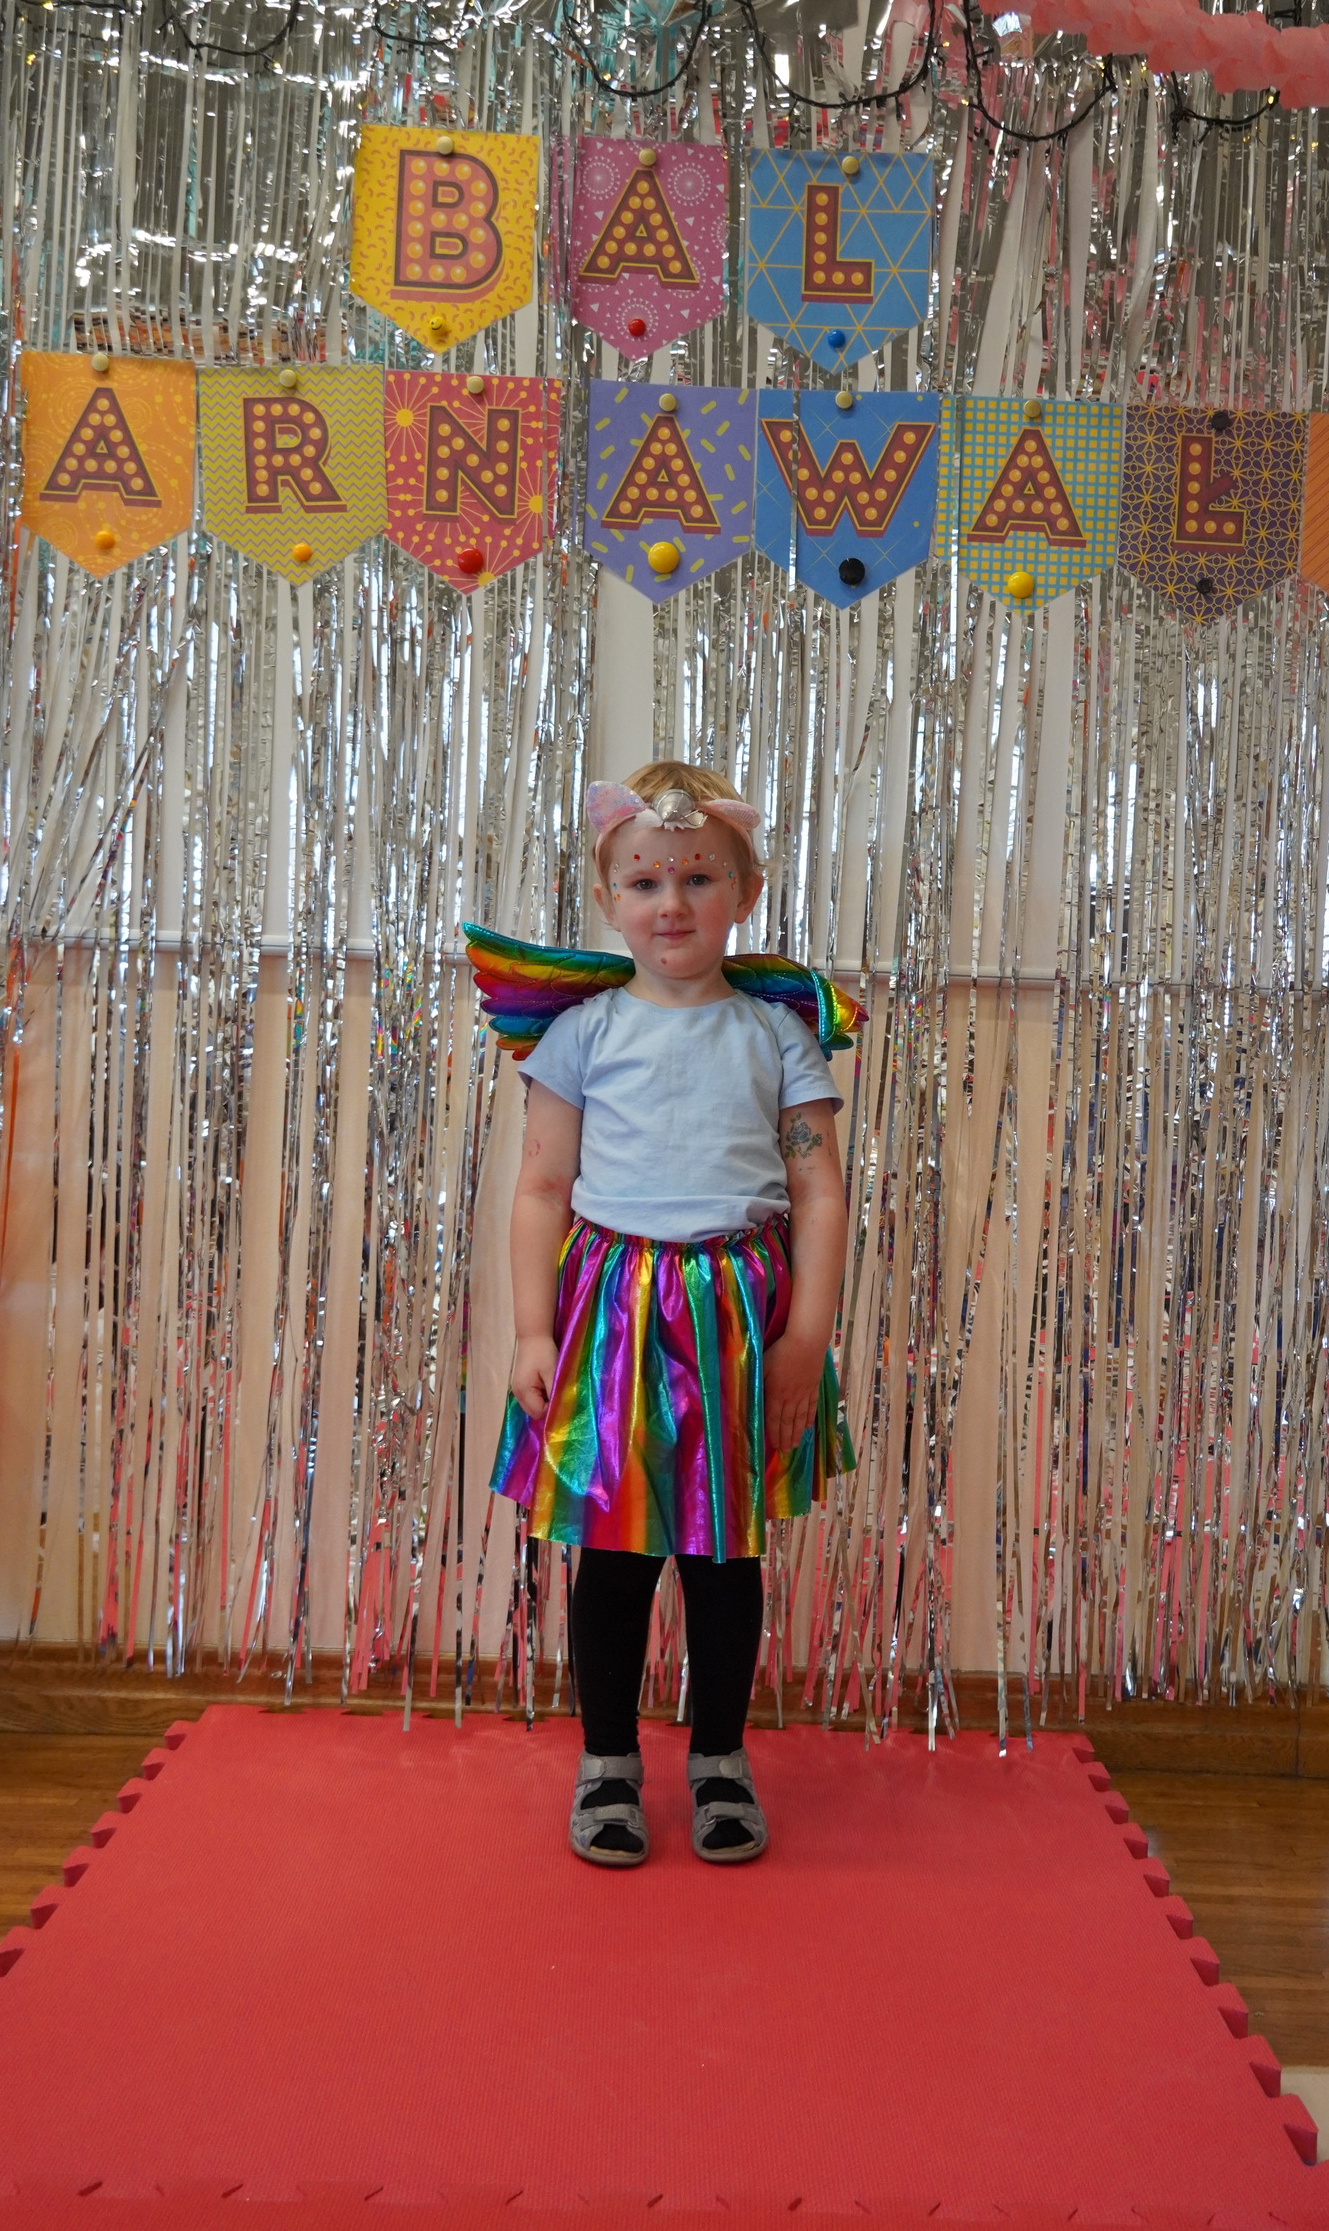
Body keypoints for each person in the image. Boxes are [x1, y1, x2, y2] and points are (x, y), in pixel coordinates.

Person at [487, 760, 852, 1867]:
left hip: (738, 1318)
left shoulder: (778, 1036)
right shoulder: (583, 1035)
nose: (672, 903)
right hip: (613, 1318)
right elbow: (541, 1188)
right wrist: (534, 1331)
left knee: (724, 1557)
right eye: (645, 882)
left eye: (698, 877)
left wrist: (806, 1339)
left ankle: (719, 1759)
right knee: (612, 1555)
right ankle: (607, 1762)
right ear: (609, 902)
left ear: (745, 891)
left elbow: (819, 1192)